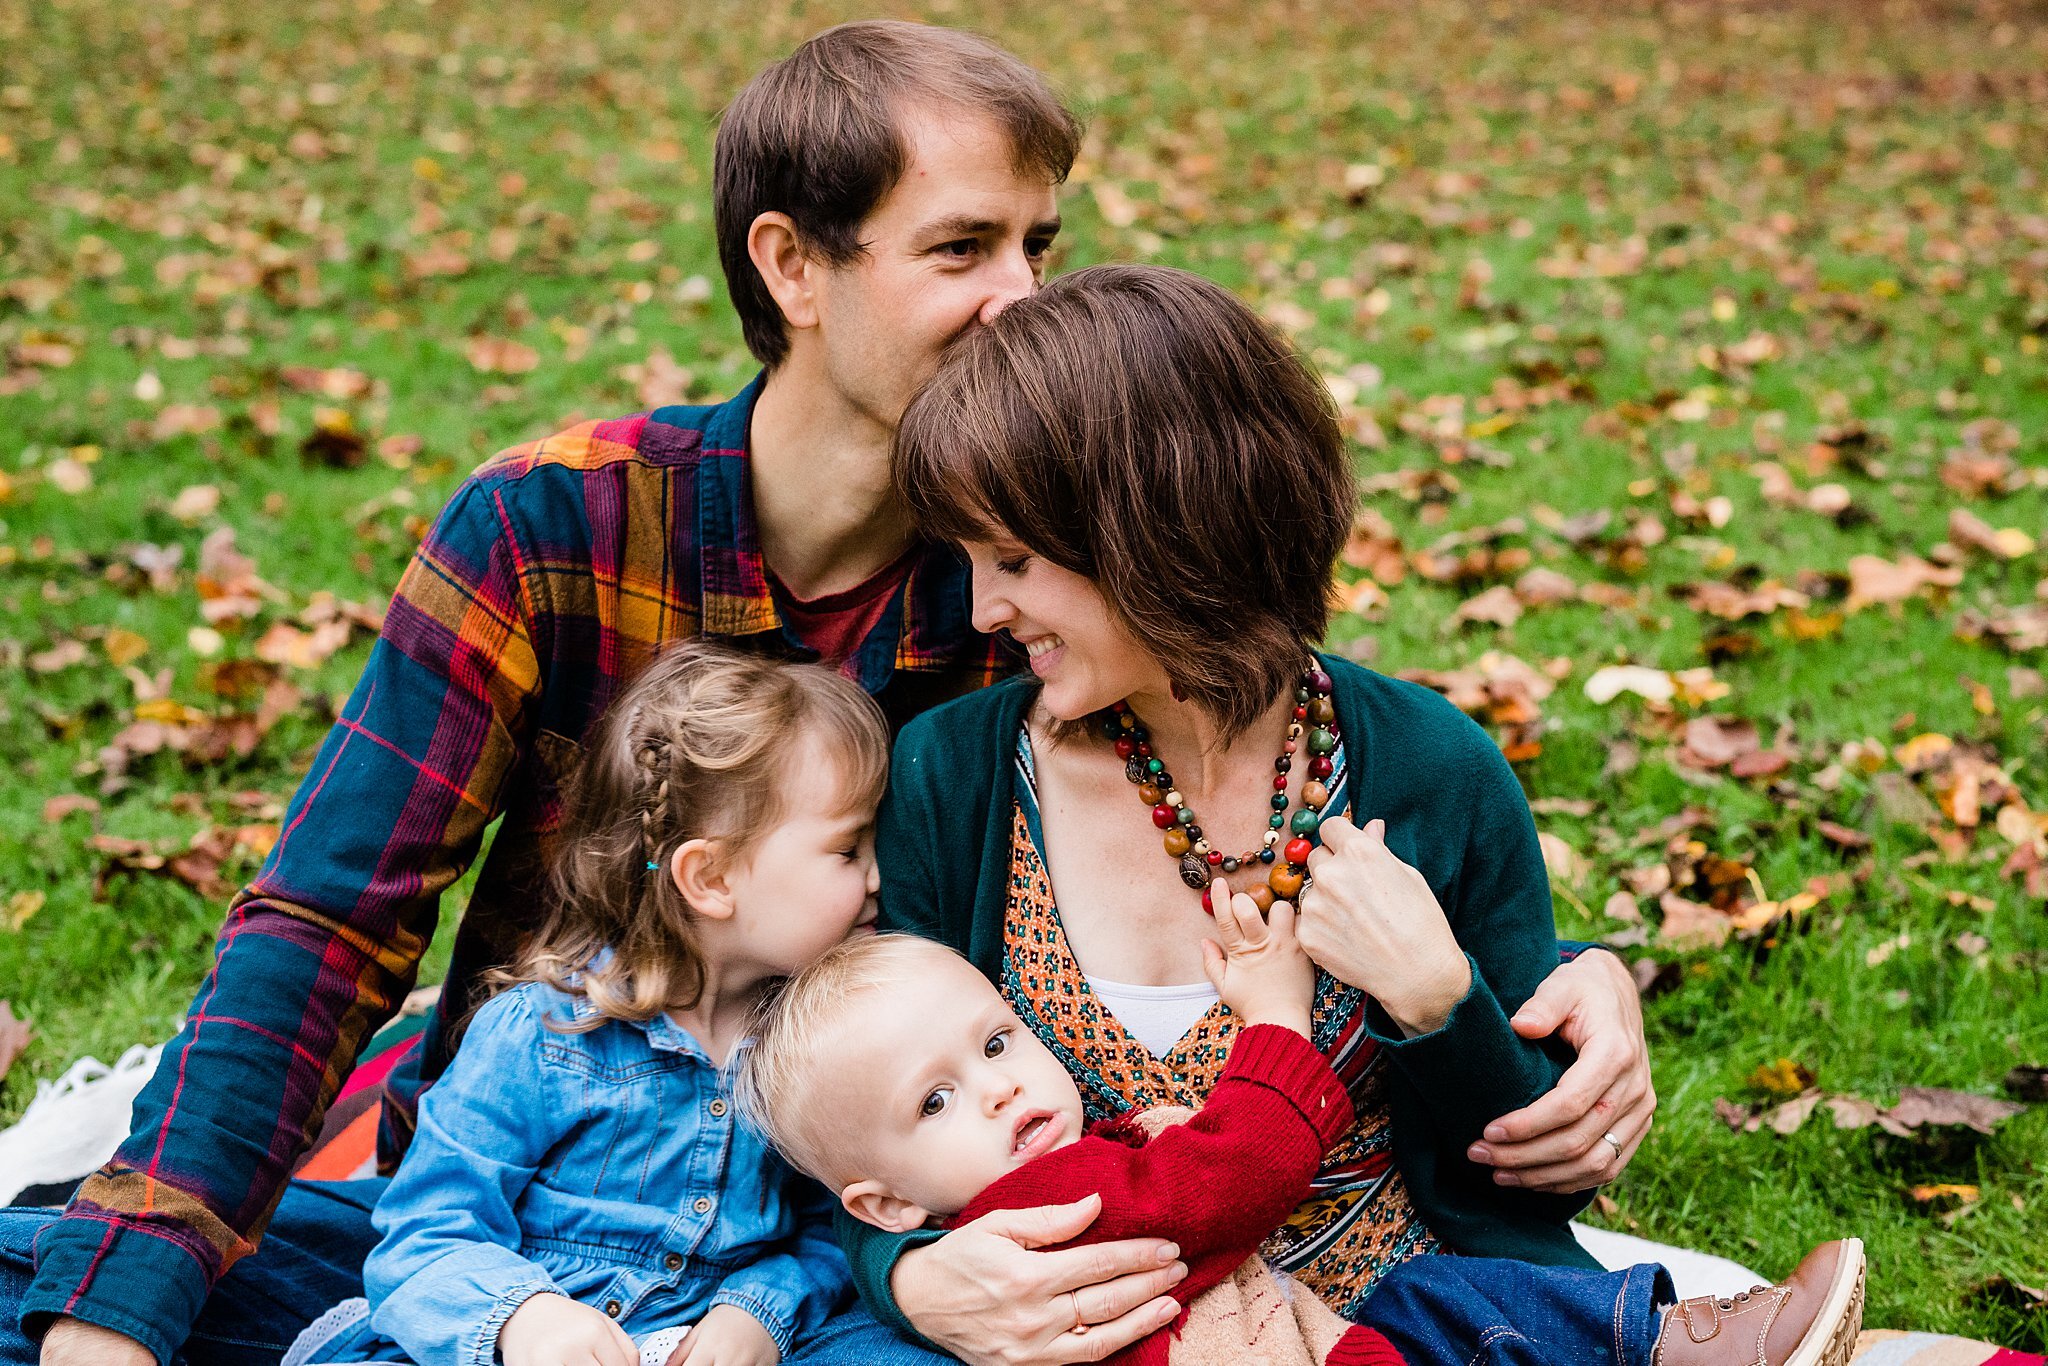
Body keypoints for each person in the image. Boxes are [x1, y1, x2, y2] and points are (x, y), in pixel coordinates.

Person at [3, 23, 1652, 1366]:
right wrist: (122, 1319)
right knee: (74, 1286)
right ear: (791, 263)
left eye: (1038, 245)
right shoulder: (553, 528)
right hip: (546, 1184)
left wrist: (1550, 967)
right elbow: (321, 930)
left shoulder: (1032, 599)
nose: (1027, 300)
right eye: (960, 248)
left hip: (827, 1245)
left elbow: (1250, 714)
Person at [850, 262, 1658, 1361]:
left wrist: (1437, 997)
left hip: (1420, 1327)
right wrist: (907, 1275)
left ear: (1157, 531)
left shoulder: (1434, 768)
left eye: (1014, 560)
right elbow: (852, 1103)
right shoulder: (955, 777)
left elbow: (1522, 1163)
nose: (987, 608)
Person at [738, 929, 1866, 1366]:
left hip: (1305, 1344)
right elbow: (1244, 1175)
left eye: (994, 1041)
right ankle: (1669, 1343)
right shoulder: (1043, 1208)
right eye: (933, 1103)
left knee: (1433, 1308)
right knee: (1449, 1306)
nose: (995, 1090)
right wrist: (1274, 1021)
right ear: (881, 1206)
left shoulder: (1047, 1181)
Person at [284, 643, 946, 1366]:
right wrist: (526, 1320)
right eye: (849, 850)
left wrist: (758, 1309)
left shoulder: (820, 1044)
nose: (880, 876)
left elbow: (834, 1224)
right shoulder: (542, 1034)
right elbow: (424, 1234)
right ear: (712, 877)